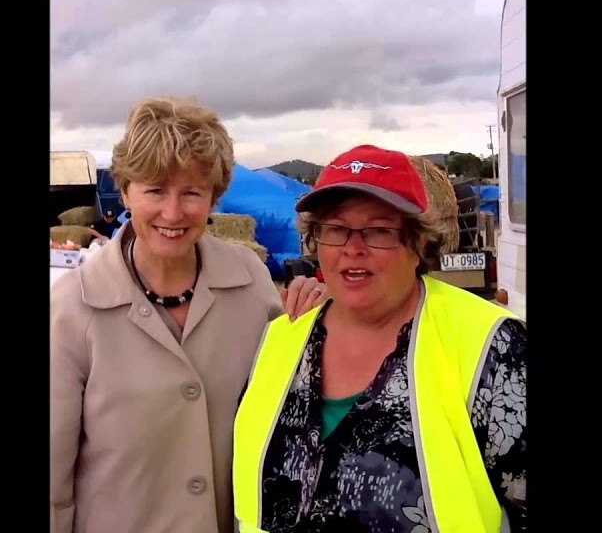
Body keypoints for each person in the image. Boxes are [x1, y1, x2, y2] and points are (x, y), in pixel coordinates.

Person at [50, 97, 326, 533]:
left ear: (215, 197)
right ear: (124, 191)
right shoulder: (72, 308)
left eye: (192, 193)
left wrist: (314, 321)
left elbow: (287, 407)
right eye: (155, 190)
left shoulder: (251, 283)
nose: (173, 213)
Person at [233, 144, 528, 533]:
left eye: (379, 231)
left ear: (420, 243)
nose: (353, 249)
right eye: (336, 229)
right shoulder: (279, 339)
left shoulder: (493, 348)